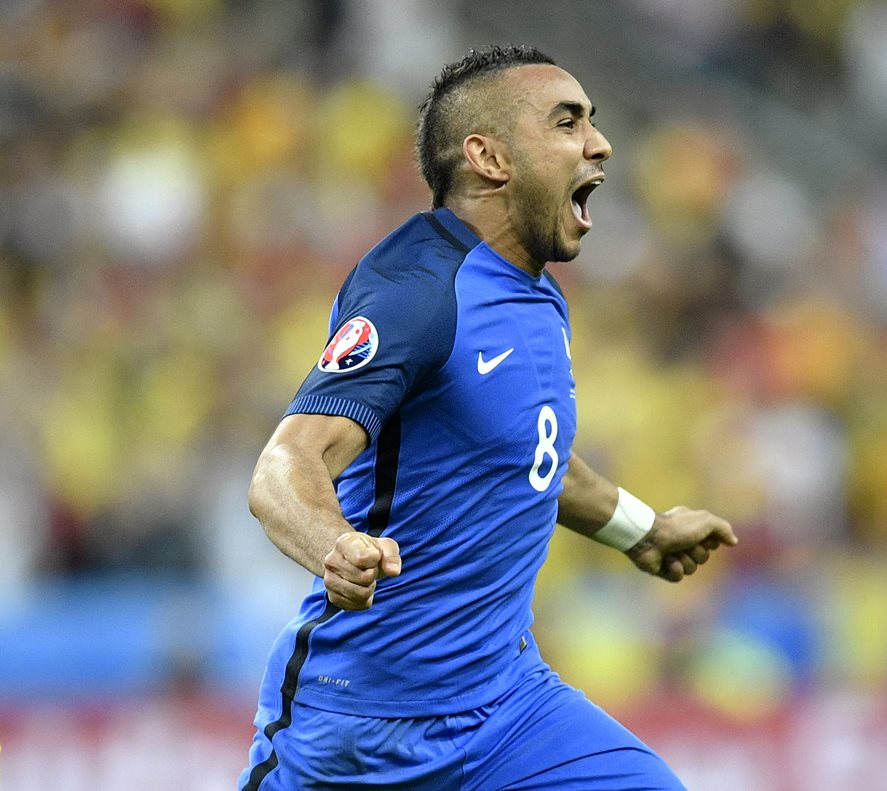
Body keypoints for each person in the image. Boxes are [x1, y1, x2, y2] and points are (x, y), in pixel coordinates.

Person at [239, 44, 737, 791]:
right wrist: (335, 545)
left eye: (593, 123)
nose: (599, 143)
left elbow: (527, 453)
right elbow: (284, 465)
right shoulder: (418, 289)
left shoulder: (538, 296)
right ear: (488, 157)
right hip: (364, 727)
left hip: (509, 705)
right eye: (567, 122)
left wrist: (644, 529)